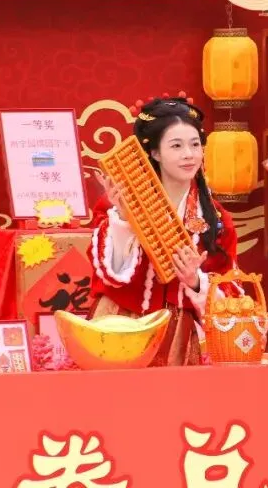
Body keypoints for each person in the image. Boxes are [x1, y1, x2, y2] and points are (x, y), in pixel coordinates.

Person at [88, 93, 238, 366]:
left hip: (175, 332)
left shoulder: (215, 219)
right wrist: (123, 219)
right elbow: (109, 276)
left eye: (195, 144)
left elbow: (231, 294)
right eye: (176, 146)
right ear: (155, 152)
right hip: (116, 325)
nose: (189, 154)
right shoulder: (118, 203)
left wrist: (195, 281)